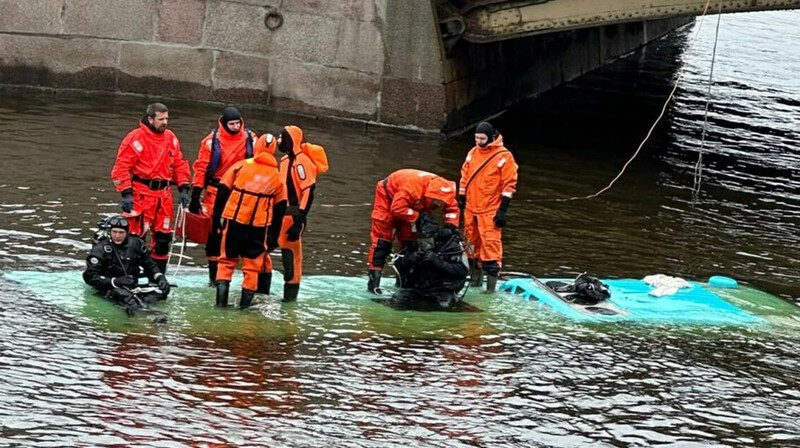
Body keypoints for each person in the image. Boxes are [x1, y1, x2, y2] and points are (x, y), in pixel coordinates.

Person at [110, 103, 191, 275]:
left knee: (163, 240)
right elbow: (120, 168)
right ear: (150, 119)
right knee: (135, 239)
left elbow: (179, 164)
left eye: (167, 118)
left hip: (164, 196)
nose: (165, 122)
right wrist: (126, 193)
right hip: (141, 194)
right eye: (161, 119)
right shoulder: (135, 138)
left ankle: (157, 277)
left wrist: (184, 187)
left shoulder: (171, 138)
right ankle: (130, 275)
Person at [211, 134, 288, 309]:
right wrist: (274, 237)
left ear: (257, 147)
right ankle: (244, 309)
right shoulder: (278, 176)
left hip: (234, 223)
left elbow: (222, 191)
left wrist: (216, 220)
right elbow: (280, 209)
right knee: (252, 269)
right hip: (259, 229)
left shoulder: (240, 166)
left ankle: (220, 305)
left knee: (225, 263)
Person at [188, 106, 259, 286]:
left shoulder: (250, 139)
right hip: (215, 192)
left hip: (241, 192)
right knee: (214, 235)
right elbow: (201, 168)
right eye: (232, 123)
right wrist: (196, 193)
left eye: (238, 123)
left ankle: (232, 274)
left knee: (239, 234)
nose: (235, 127)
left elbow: (261, 161)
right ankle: (214, 278)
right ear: (224, 123)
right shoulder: (211, 142)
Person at [367, 169, 460, 294]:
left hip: (412, 206)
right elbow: (397, 208)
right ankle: (373, 285)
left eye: (440, 203)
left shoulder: (445, 194)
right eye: (436, 202)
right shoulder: (411, 188)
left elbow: (452, 210)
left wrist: (450, 227)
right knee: (382, 242)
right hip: (388, 199)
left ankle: (403, 283)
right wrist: (418, 217)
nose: (438, 205)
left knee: (410, 244)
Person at [458, 121, 518, 293]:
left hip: (489, 210)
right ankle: (475, 282)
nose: (478, 141)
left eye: (482, 138)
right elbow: (465, 176)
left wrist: (503, 210)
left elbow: (509, 185)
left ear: (491, 138)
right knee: (470, 247)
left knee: (491, 248)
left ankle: (490, 289)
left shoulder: (504, 157)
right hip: (471, 208)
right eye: (476, 138)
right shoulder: (473, 152)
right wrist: (461, 197)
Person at [277, 125, 328, 302]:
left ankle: (289, 301)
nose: (278, 141)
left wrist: (299, 221)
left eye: (282, 138)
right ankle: (259, 291)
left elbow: (308, 191)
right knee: (260, 253)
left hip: (292, 218)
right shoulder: (284, 161)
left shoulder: (302, 162)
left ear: (291, 140)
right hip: (277, 217)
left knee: (291, 262)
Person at [83, 215, 171, 316]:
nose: (117, 236)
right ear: (109, 232)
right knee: (125, 297)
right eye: (114, 232)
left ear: (127, 232)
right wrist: (114, 281)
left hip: (132, 282)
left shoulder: (136, 244)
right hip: (110, 284)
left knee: (163, 292)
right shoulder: (100, 249)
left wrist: (160, 277)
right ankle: (147, 313)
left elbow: (150, 265)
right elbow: (89, 276)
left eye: (121, 233)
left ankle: (142, 306)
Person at [391, 213, 469, 310]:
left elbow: (462, 271)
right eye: (422, 238)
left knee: (445, 306)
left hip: (442, 289)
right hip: (418, 288)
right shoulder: (414, 244)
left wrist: (439, 263)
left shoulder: (451, 247)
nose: (425, 242)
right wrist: (408, 259)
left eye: (428, 239)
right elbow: (397, 264)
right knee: (397, 299)